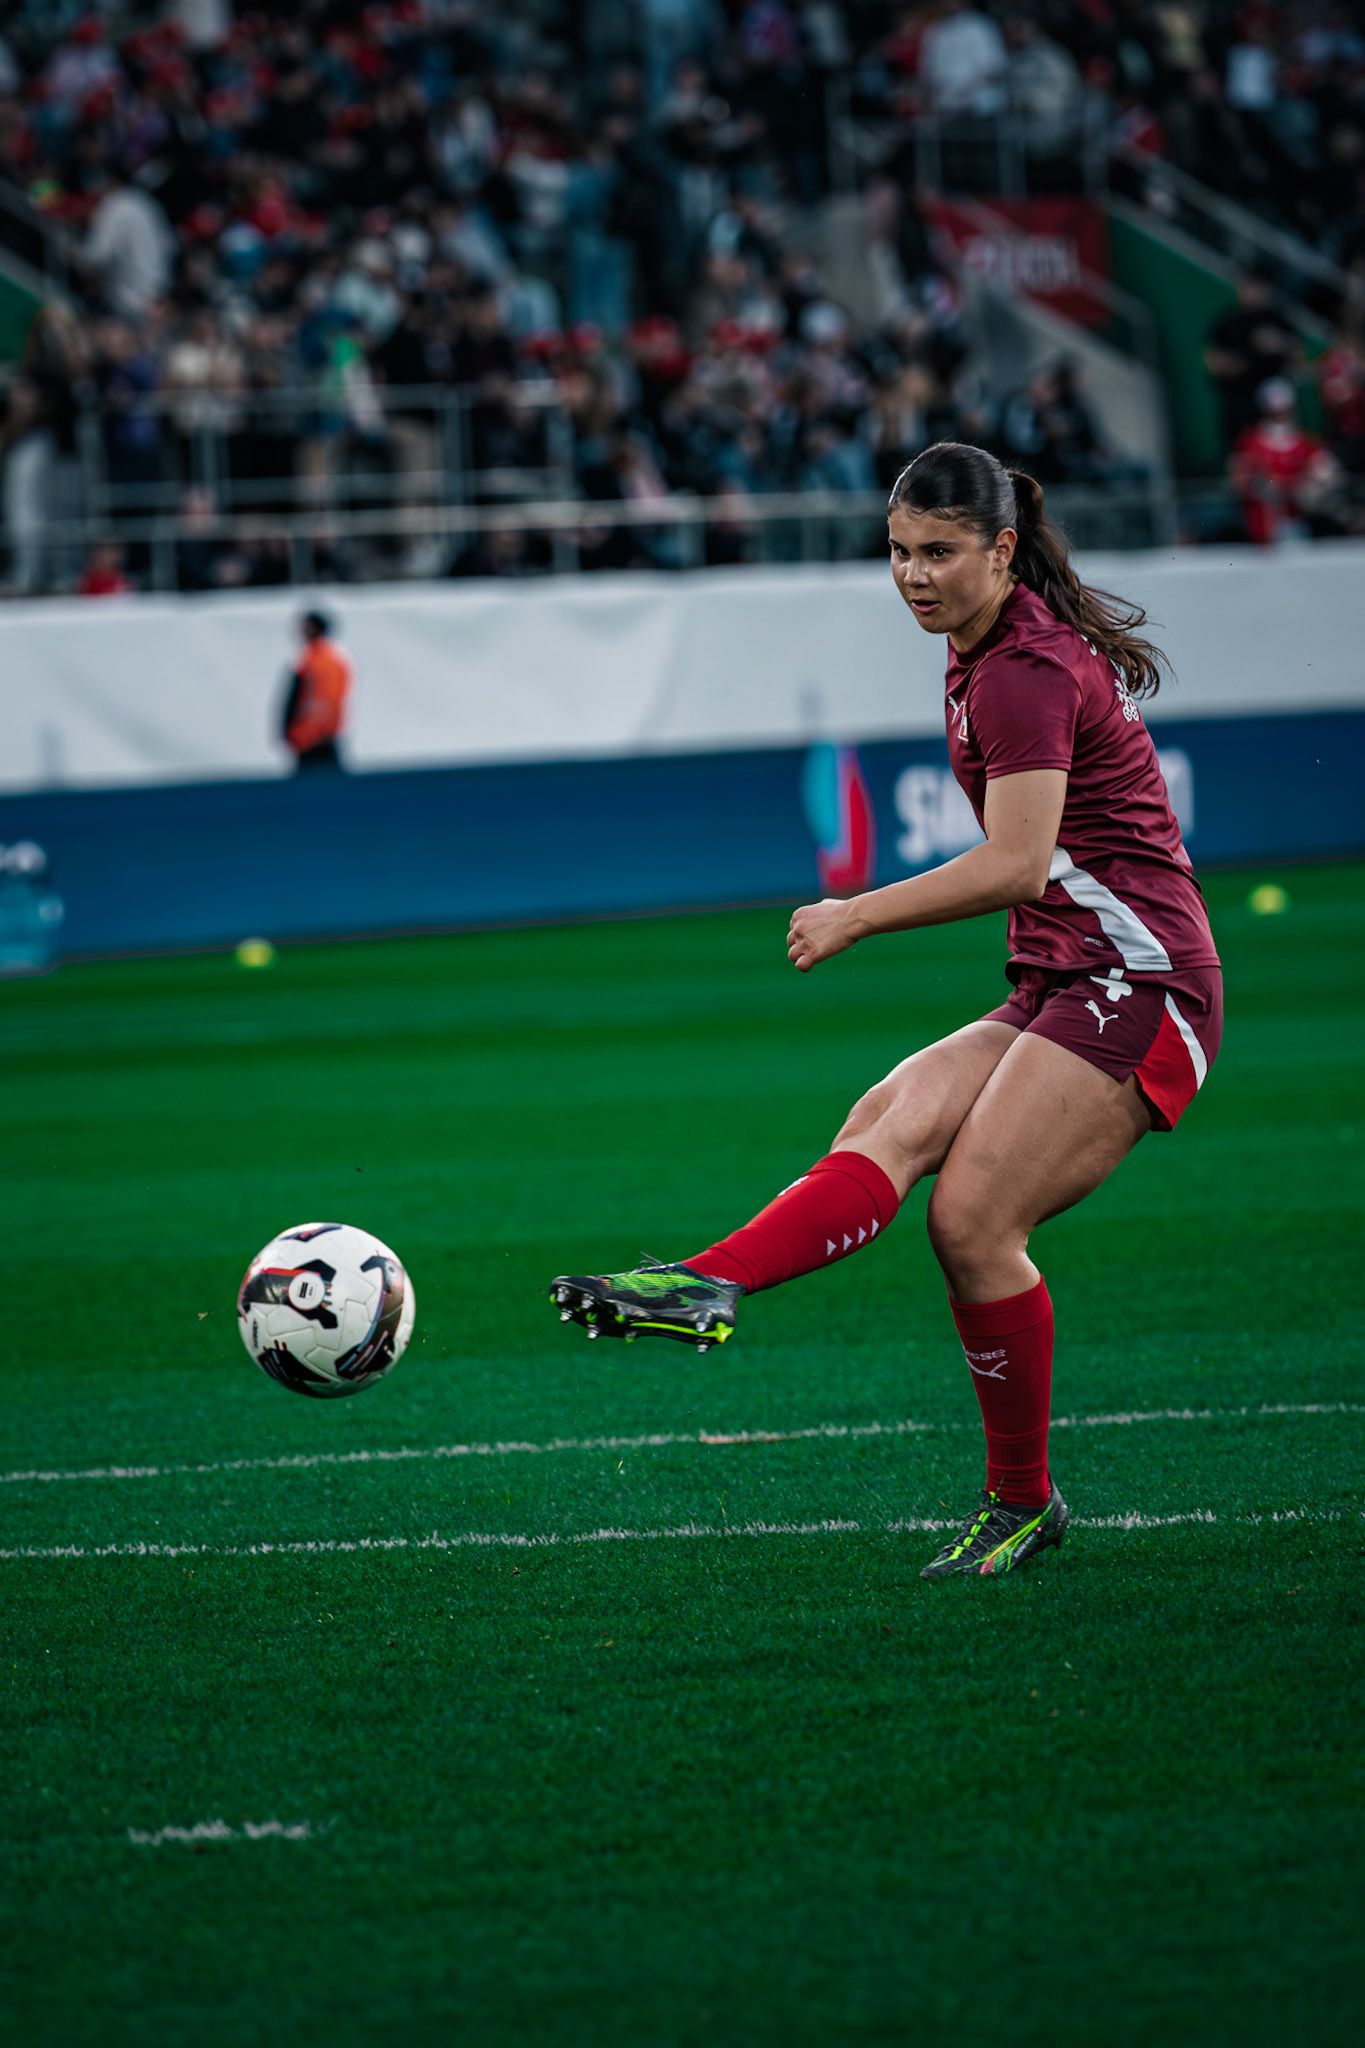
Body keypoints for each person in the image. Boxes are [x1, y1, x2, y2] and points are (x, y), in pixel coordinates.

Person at [551, 441, 1223, 1579]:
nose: (914, 574)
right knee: (890, 1114)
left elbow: (1016, 860)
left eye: (940, 552)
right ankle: (709, 1280)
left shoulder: (1019, 670)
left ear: (1002, 550)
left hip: (1141, 981)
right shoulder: (983, 649)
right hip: (1072, 973)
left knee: (971, 1223)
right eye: (900, 551)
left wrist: (857, 912)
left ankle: (1021, 1501)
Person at [281, 611, 352, 772]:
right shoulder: (314, 658)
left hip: (315, 740)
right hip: (314, 738)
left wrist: (305, 733)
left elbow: (324, 701)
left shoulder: (321, 661)